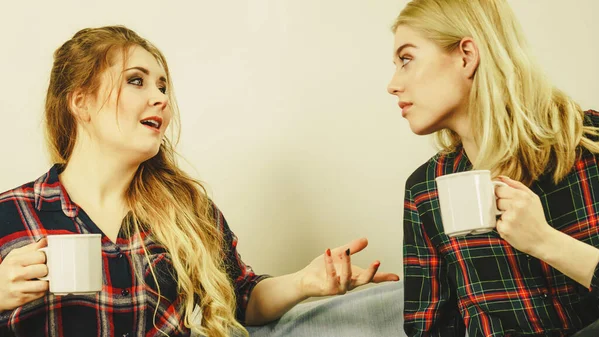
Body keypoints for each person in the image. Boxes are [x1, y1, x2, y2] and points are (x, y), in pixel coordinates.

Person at [0, 25, 399, 337]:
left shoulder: (186, 209)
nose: (161, 99)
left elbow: (243, 298)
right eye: (136, 81)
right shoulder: (10, 214)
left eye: (162, 86)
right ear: (80, 101)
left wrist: (304, 283)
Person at [387, 0, 599, 336]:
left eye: (406, 59)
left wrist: (545, 241)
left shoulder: (592, 146)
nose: (393, 84)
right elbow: (429, 330)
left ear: (466, 55)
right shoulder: (425, 189)